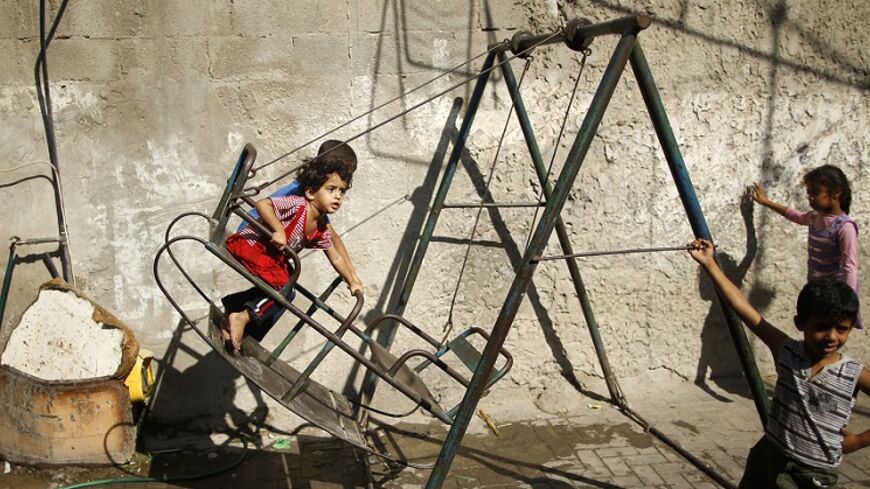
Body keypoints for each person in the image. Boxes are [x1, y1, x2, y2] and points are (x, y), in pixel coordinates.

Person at [688, 238, 870, 488]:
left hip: (812, 475)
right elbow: (742, 307)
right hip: (769, 459)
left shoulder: (853, 373)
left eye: (842, 329)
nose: (831, 337)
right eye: (822, 327)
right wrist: (710, 263)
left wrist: (858, 441)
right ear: (800, 323)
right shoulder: (787, 351)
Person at [221, 142, 363, 352]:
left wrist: (353, 280)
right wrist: (278, 229)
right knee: (284, 289)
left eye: (342, 191)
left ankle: (238, 315)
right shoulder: (299, 199)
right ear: (312, 190)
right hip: (255, 242)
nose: (338, 196)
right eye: (332, 189)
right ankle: (240, 319)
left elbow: (334, 250)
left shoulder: (319, 217)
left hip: (271, 251)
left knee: (288, 289)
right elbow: (263, 205)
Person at [750, 165, 859, 300]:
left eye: (815, 193)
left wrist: (849, 301)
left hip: (836, 295)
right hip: (816, 289)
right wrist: (767, 202)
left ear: (836, 193)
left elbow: (849, 267)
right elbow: (796, 216)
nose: (810, 198)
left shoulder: (845, 228)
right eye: (809, 193)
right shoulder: (814, 217)